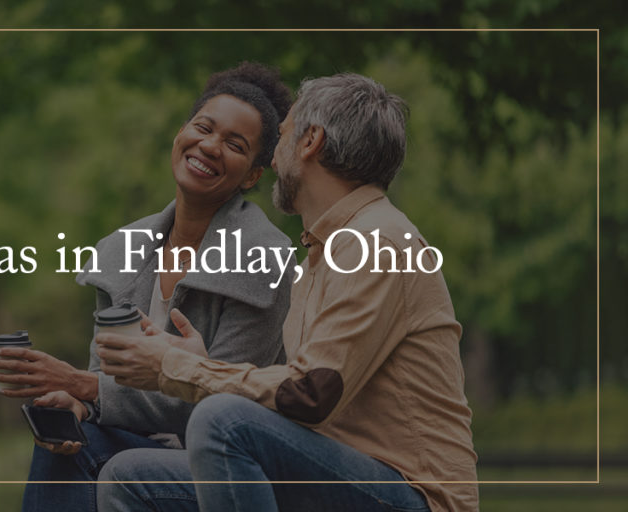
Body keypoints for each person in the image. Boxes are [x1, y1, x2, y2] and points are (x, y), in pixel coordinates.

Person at [94, 73, 479, 511]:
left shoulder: (376, 242)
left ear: (310, 140)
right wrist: (202, 365)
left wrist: (174, 366)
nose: (275, 158)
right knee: (130, 476)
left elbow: (310, 394)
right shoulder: (323, 252)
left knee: (224, 422)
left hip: (412, 495)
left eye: (282, 135)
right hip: (338, 473)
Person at [0, 62, 295, 511]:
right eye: (203, 127)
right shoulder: (121, 250)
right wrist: (78, 405)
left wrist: (86, 387)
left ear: (252, 175)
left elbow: (225, 406)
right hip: (140, 443)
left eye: (235, 144)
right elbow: (106, 382)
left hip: (227, 461)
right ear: (180, 133)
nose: (209, 146)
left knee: (111, 463)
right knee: (69, 442)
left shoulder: (263, 258)